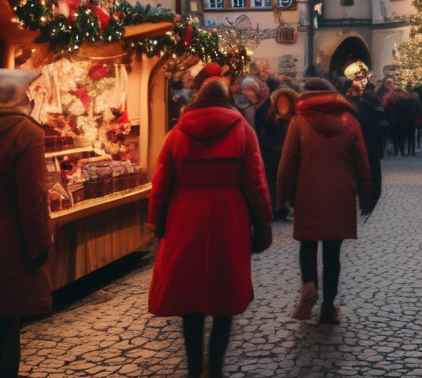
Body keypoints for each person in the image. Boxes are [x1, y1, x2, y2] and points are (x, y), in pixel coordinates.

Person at [148, 79, 274, 378]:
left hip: (185, 216)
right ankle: (215, 367)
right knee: (224, 296)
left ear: (197, 100)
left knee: (190, 299)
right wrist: (264, 222)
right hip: (228, 215)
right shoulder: (243, 130)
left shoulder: (177, 132)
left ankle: (194, 368)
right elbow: (256, 182)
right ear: (228, 101)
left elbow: (161, 183)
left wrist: (158, 222)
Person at [0, 69, 53, 378]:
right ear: (17, 95)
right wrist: (40, 245)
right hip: (12, 242)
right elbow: (33, 198)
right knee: (7, 327)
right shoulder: (26, 133)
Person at [278, 78, 373, 324]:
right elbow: (362, 161)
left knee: (307, 244)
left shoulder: (299, 122)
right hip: (341, 195)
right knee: (333, 254)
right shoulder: (350, 121)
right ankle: (328, 307)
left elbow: (287, 162)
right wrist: (366, 194)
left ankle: (309, 284)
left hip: (308, 192)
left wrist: (282, 196)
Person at [257, 87, 296, 221]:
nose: (282, 105)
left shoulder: (297, 120)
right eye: (280, 102)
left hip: (292, 159)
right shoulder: (269, 119)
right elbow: (265, 141)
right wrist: (280, 150)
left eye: (286, 102)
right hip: (274, 160)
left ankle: (291, 207)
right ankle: (277, 209)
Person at [350, 82, 386, 212]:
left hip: (359, 146)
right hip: (372, 147)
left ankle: (363, 200)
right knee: (372, 173)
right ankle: (369, 201)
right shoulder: (374, 109)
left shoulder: (356, 110)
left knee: (361, 173)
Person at [384, 84, 417, 156]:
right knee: (404, 135)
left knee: (395, 136)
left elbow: (385, 106)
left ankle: (397, 151)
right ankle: (408, 150)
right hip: (407, 118)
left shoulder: (390, 96)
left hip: (394, 118)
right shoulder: (406, 95)